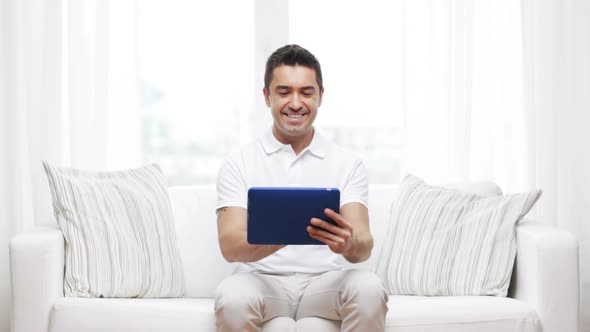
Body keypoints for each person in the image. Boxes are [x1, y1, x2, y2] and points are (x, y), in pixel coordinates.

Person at [215, 44, 388, 332]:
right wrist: (286, 232)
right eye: (284, 92)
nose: (296, 103)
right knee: (232, 297)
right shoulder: (239, 162)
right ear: (267, 96)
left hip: (325, 282)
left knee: (369, 287)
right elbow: (230, 246)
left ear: (320, 96)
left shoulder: (348, 163)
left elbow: (364, 245)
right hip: (262, 280)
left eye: (306, 92)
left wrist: (349, 244)